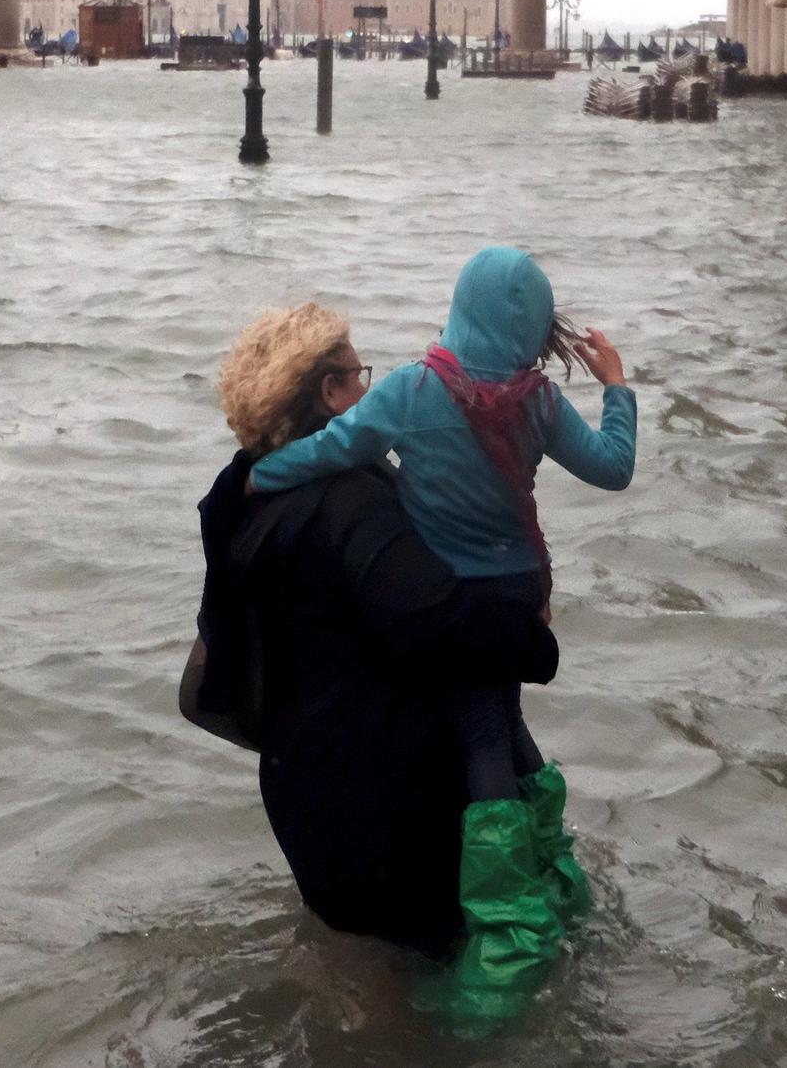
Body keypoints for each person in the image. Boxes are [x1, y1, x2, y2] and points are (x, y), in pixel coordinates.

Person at [246, 246, 635, 1017]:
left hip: (461, 600)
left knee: (483, 732)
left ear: (460, 310)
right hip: (524, 589)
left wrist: (260, 476)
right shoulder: (540, 404)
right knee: (509, 724)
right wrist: (617, 389)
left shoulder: (413, 391)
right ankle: (557, 873)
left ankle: (505, 928)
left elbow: (337, 446)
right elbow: (613, 467)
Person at [184, 303, 559, 959]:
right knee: (437, 985)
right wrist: (534, 638)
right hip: (386, 806)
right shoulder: (349, 501)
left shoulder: (241, 493)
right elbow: (439, 618)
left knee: (361, 977)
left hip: (301, 790)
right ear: (330, 393)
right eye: (359, 376)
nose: (369, 390)